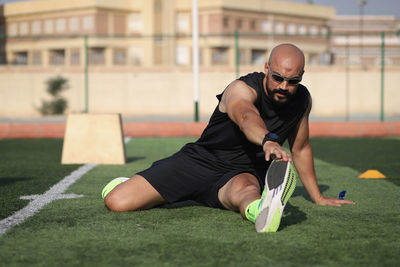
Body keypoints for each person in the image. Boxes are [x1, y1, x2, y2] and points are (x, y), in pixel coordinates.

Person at [102, 43, 355, 233]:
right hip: (199, 162)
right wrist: (267, 139)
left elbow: (300, 148)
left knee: (246, 192)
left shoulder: (302, 100)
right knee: (117, 202)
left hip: (241, 173)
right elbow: (246, 117)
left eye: (293, 81)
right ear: (267, 68)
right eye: (278, 77)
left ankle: (263, 212)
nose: (283, 86)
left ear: (301, 76)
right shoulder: (241, 89)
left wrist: (318, 197)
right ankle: (129, 185)